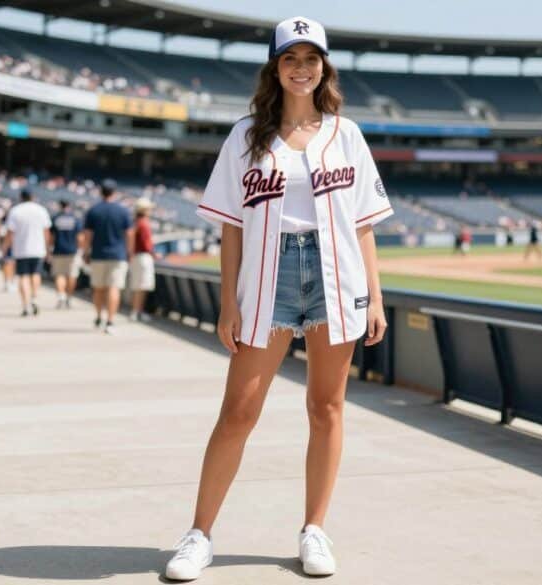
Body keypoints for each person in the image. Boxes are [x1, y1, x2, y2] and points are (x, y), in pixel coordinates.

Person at [165, 16, 392, 581]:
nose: (301, 68)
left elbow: (363, 223)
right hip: (269, 277)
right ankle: (198, 534)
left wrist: (376, 298)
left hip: (336, 275)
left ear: (324, 68)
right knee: (239, 411)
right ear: (275, 68)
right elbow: (231, 227)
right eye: (290, 58)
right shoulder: (246, 135)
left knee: (326, 408)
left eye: (311, 58)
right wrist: (228, 301)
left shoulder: (347, 134)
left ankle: (314, 529)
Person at [83, 179, 132, 334]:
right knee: (114, 288)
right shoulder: (123, 211)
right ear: (115, 192)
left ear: (100, 192)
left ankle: (98, 316)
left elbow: (87, 235)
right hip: (118, 255)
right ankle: (110, 321)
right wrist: (129, 252)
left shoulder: (93, 210)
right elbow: (129, 234)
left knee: (98, 288)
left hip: (98, 255)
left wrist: (85, 252)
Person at [4, 190, 51, 317]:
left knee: (23, 276)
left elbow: (10, 232)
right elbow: (46, 232)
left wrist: (5, 247)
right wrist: (47, 248)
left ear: (21, 197)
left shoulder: (16, 211)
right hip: (38, 249)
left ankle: (26, 305)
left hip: (21, 249)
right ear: (33, 197)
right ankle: (34, 298)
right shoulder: (41, 210)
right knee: (36, 274)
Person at [48, 199, 83, 309]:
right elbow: (80, 237)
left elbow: (51, 236)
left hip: (58, 250)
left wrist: (49, 249)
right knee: (72, 275)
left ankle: (61, 296)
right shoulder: (75, 219)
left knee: (59, 274)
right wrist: (81, 249)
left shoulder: (55, 218)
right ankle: (68, 297)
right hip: (72, 251)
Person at [129, 197, 157, 322]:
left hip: (136, 257)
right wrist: (154, 254)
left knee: (138, 286)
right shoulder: (144, 223)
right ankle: (137, 312)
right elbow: (147, 244)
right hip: (143, 257)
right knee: (142, 286)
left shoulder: (136, 222)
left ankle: (137, 311)